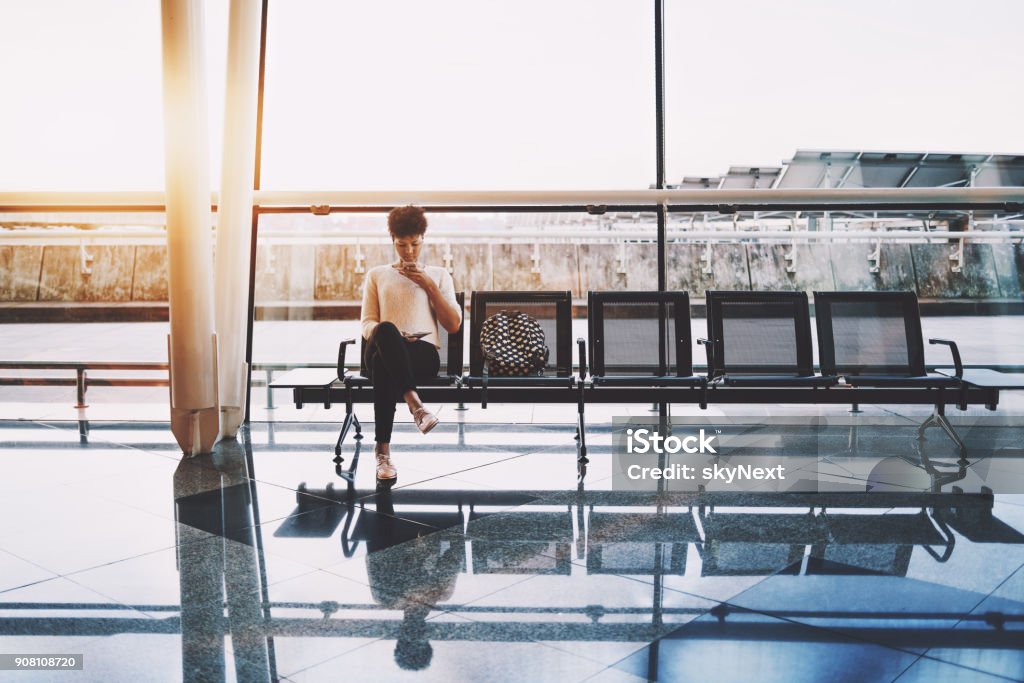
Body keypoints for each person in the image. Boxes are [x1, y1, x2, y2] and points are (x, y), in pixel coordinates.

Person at [360, 205, 462, 480]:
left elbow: (453, 324)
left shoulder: (439, 275)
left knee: (384, 365)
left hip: (421, 355)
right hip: (382, 343)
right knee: (386, 331)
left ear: (423, 240)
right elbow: (368, 323)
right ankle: (416, 406)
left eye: (414, 244)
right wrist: (392, 334)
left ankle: (382, 453)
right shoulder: (377, 275)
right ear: (392, 241)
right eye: (402, 245)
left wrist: (428, 285)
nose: (408, 252)